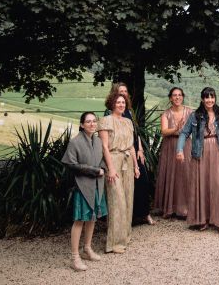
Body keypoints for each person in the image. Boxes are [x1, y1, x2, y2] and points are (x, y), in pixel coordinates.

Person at [176, 87, 219, 237]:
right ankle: (202, 219)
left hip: (218, 151)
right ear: (202, 99)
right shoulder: (195, 116)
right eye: (207, 97)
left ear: (215, 98)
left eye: (212, 97)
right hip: (200, 153)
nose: (210, 100)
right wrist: (179, 150)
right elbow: (184, 133)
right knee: (202, 185)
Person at [61, 112, 107, 271]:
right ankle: (75, 257)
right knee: (80, 220)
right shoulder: (75, 142)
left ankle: (87, 249)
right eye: (88, 122)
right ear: (81, 125)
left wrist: (103, 169)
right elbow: (71, 165)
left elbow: (102, 160)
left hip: (97, 185)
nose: (92, 124)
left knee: (92, 218)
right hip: (82, 185)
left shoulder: (98, 140)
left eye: (94, 121)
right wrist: (95, 171)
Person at [104, 83, 155, 226]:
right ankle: (128, 217)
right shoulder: (109, 113)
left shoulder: (130, 111)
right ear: (115, 95)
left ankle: (144, 213)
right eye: (121, 92)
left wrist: (140, 149)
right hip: (120, 153)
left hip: (134, 150)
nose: (124, 94)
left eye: (126, 92)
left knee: (142, 181)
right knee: (125, 185)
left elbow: (135, 132)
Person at [98, 93, 140, 253]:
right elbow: (104, 147)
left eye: (123, 102)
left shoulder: (128, 122)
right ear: (112, 104)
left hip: (128, 161)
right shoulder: (106, 121)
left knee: (128, 199)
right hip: (113, 160)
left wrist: (136, 166)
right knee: (117, 201)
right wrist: (111, 168)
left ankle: (125, 237)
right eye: (118, 102)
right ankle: (114, 243)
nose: (121, 105)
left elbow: (131, 146)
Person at [154, 87, 193, 218]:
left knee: (186, 174)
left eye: (180, 95)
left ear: (183, 97)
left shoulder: (190, 112)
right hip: (170, 145)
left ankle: (187, 208)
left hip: (186, 145)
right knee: (171, 174)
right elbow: (164, 131)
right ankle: (170, 207)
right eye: (174, 95)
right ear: (170, 98)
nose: (177, 97)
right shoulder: (166, 113)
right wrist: (176, 128)